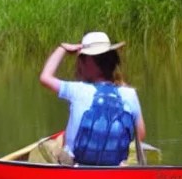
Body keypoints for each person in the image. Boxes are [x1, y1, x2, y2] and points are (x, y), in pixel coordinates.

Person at [39, 30, 146, 167]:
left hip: (75, 166)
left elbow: (45, 77)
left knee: (52, 143)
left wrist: (63, 48)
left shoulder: (77, 90)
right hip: (116, 168)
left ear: (88, 62)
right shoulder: (130, 94)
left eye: (81, 60)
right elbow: (141, 133)